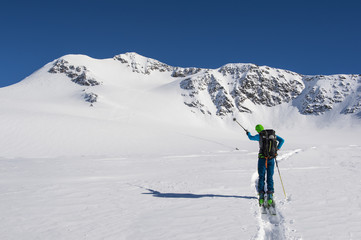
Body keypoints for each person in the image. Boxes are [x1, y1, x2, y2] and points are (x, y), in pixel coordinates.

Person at [247, 124, 285, 206]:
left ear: (257, 130)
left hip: (262, 159)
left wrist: (248, 133)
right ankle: (270, 194)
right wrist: (277, 148)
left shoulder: (259, 136)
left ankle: (261, 194)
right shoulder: (272, 135)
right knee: (270, 176)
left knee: (261, 175)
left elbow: (251, 138)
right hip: (271, 158)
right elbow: (282, 140)